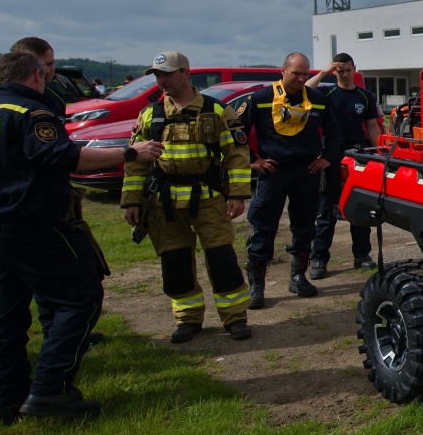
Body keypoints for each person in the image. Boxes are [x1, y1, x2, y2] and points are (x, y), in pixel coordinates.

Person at [0, 51, 162, 429]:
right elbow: (64, 156)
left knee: (2, 317)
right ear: (35, 76)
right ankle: (51, 388)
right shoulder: (31, 112)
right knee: (80, 296)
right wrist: (132, 151)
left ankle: (5, 405)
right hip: (33, 225)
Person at [121, 52, 254, 343]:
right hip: (163, 204)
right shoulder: (150, 114)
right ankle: (188, 319)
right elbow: (135, 163)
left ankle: (235, 318)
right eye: (157, 75)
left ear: (185, 73)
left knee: (222, 260)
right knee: (175, 264)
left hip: (207, 199)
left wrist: (238, 195)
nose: (161, 81)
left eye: (167, 74)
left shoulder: (216, 111)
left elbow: (237, 155)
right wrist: (132, 201)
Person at [6, 37, 107, 350]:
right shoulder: (8, 102)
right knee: (19, 289)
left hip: (55, 197)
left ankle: (60, 332)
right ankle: (52, 344)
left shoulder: (52, 96)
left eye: (51, 63)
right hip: (21, 205)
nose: (50, 71)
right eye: (44, 65)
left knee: (78, 272)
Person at [237, 53, 340, 307]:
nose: (302, 78)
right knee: (263, 227)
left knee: (305, 226)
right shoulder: (261, 98)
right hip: (273, 173)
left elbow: (335, 132)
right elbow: (234, 130)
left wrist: (327, 157)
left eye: (305, 74)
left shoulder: (316, 100)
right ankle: (256, 287)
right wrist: (253, 160)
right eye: (296, 73)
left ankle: (298, 277)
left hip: (307, 172)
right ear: (283, 70)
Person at [305, 53, 383, 278]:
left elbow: (372, 127)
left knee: (359, 207)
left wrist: (379, 155)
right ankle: (319, 258)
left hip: (357, 157)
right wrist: (323, 72)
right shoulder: (325, 92)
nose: (345, 75)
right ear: (335, 72)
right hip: (330, 156)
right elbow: (305, 91)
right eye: (340, 71)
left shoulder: (364, 96)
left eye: (348, 70)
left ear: (354, 69)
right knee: (327, 209)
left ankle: (362, 255)